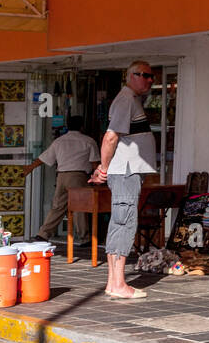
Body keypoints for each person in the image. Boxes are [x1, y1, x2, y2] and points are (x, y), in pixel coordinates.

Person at [91, 61, 158, 300]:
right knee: (125, 221)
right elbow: (110, 137)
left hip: (127, 171)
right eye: (145, 76)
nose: (150, 80)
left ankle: (114, 282)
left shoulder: (129, 100)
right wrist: (104, 168)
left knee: (121, 221)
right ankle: (118, 283)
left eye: (152, 76)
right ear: (131, 76)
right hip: (125, 171)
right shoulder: (126, 99)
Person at [27, 116, 100, 245]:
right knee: (79, 207)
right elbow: (94, 163)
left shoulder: (59, 141)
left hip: (62, 177)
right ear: (82, 127)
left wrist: (29, 168)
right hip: (79, 176)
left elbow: (43, 158)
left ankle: (43, 234)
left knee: (57, 206)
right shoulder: (88, 141)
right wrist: (99, 177)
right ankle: (85, 237)